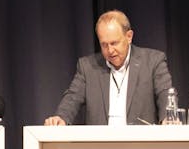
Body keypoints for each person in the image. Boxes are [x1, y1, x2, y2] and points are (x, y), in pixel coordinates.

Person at [44, 10, 173, 126]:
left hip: (141, 146)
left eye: (114, 43)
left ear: (129, 36)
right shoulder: (87, 67)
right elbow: (72, 97)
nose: (110, 50)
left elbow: (165, 93)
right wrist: (61, 117)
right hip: (100, 148)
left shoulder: (153, 61)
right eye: (104, 45)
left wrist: (168, 118)